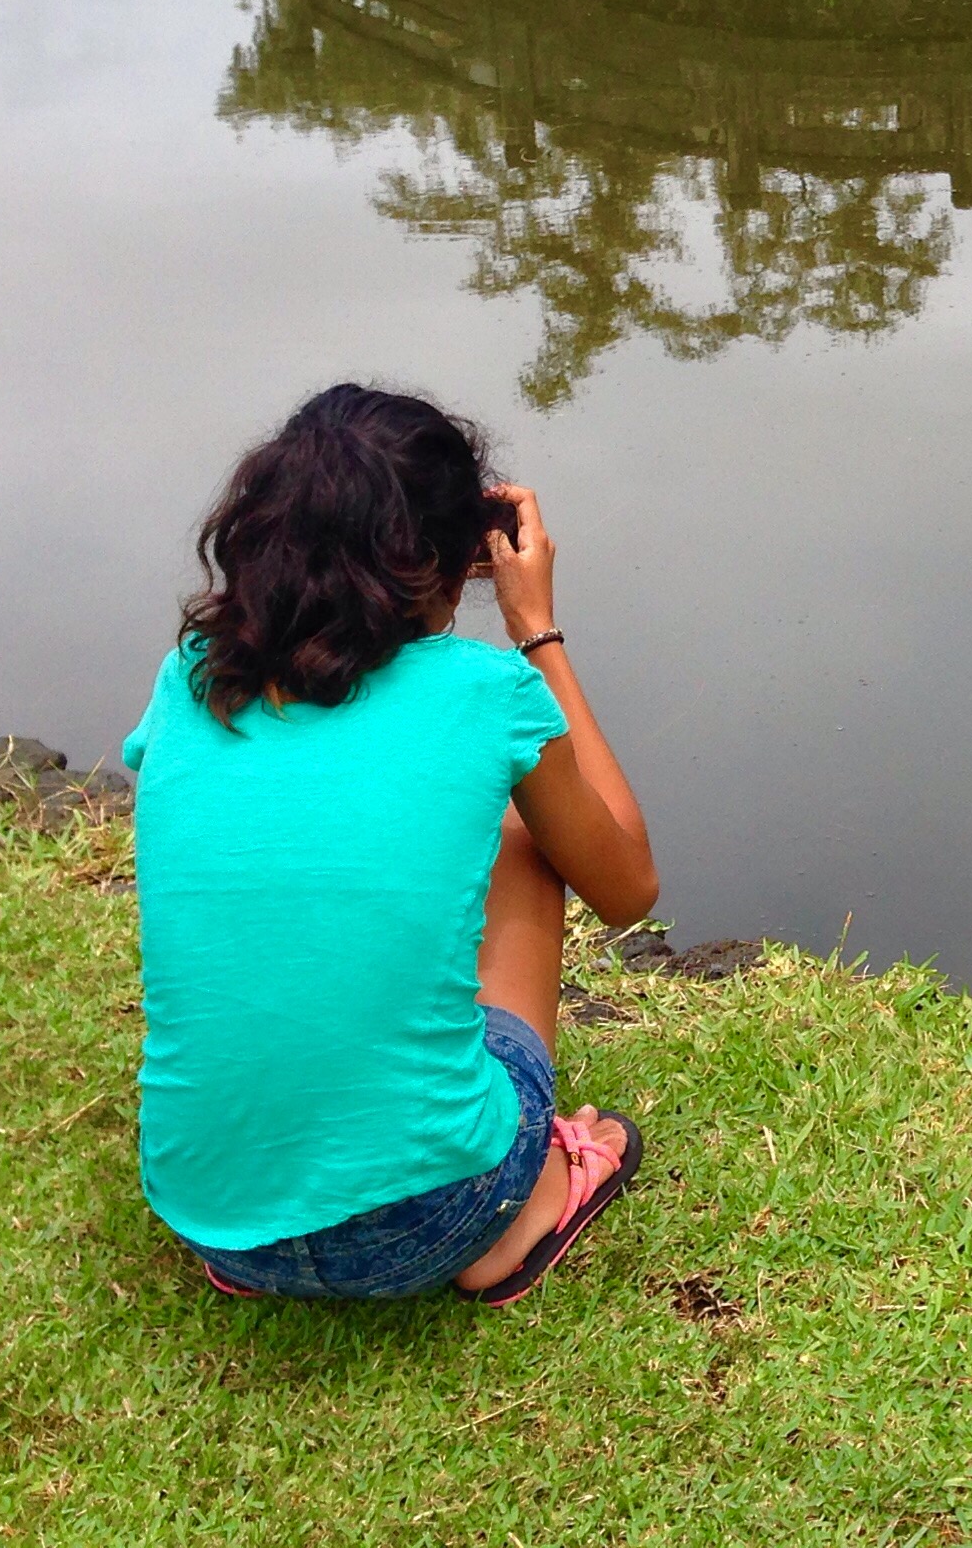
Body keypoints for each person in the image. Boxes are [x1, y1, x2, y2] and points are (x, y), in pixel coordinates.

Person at [121, 384, 660, 1303]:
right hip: (436, 1222)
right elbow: (628, 885)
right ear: (457, 561)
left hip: (215, 1220)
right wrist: (537, 626)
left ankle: (282, 1199)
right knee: (529, 834)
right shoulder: (485, 695)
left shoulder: (191, 677)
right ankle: (517, 1219)